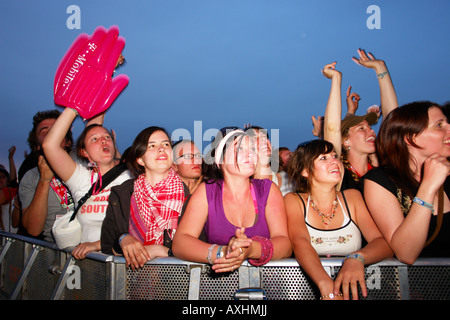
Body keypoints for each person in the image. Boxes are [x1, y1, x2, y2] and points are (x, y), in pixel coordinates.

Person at [172, 127, 292, 273]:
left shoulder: (268, 190)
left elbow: (285, 244)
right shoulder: (207, 191)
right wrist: (223, 253)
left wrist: (252, 249)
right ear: (220, 159)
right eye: (240, 148)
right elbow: (181, 243)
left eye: (253, 149)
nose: (250, 153)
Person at [285, 139, 392, 300]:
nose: (334, 161)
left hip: (358, 290)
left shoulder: (352, 198)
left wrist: (357, 258)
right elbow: (300, 242)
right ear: (305, 171)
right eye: (323, 158)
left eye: (334, 156)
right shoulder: (294, 200)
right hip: (309, 290)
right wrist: (326, 286)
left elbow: (383, 243)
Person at [363, 101, 450, 264]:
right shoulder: (381, 180)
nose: (449, 128)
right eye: (439, 125)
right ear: (410, 137)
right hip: (418, 286)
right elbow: (406, 252)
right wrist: (429, 186)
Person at [42, 108, 132, 259]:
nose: (103, 140)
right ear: (84, 152)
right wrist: (73, 108)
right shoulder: (80, 177)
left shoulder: (131, 176)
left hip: (124, 260)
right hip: (90, 264)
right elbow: (49, 146)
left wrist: (97, 244)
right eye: (94, 139)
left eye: (107, 137)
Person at [101, 127, 189, 270]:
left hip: (174, 284)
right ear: (140, 159)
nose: (161, 149)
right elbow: (106, 246)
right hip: (128, 282)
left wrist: (161, 251)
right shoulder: (122, 194)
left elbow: (196, 247)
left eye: (166, 144)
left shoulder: (188, 198)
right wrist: (123, 239)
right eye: (152, 146)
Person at [322, 49, 399, 192]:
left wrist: (380, 67)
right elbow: (332, 128)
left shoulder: (383, 167)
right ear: (346, 141)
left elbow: (392, 119)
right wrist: (336, 78)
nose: (371, 130)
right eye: (361, 128)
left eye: (369, 126)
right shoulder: (340, 174)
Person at [19, 110, 75, 242]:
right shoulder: (31, 177)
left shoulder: (84, 163)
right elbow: (33, 229)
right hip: (54, 249)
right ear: (38, 145)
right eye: (45, 132)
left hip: (90, 248)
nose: (52, 134)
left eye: (57, 129)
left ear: (67, 141)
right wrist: (44, 180)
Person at [245, 126, 293, 196]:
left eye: (265, 137)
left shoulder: (290, 180)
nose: (263, 140)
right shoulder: (245, 190)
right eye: (255, 138)